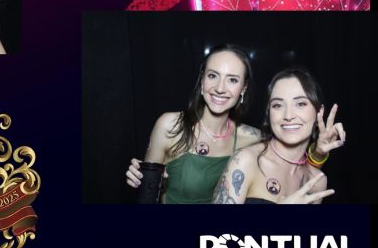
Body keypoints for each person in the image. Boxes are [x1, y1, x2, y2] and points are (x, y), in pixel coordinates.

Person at [125, 45, 341, 203]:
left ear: (243, 89)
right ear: (202, 81)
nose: (220, 88)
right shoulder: (171, 126)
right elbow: (147, 192)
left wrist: (319, 152)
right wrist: (141, 180)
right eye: (213, 76)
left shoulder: (252, 137)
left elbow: (291, 160)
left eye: (232, 80)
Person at [213, 69, 344, 203]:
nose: (288, 116)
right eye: (278, 105)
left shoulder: (317, 181)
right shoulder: (246, 161)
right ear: (269, 113)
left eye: (300, 104)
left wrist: (319, 154)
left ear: (319, 112)